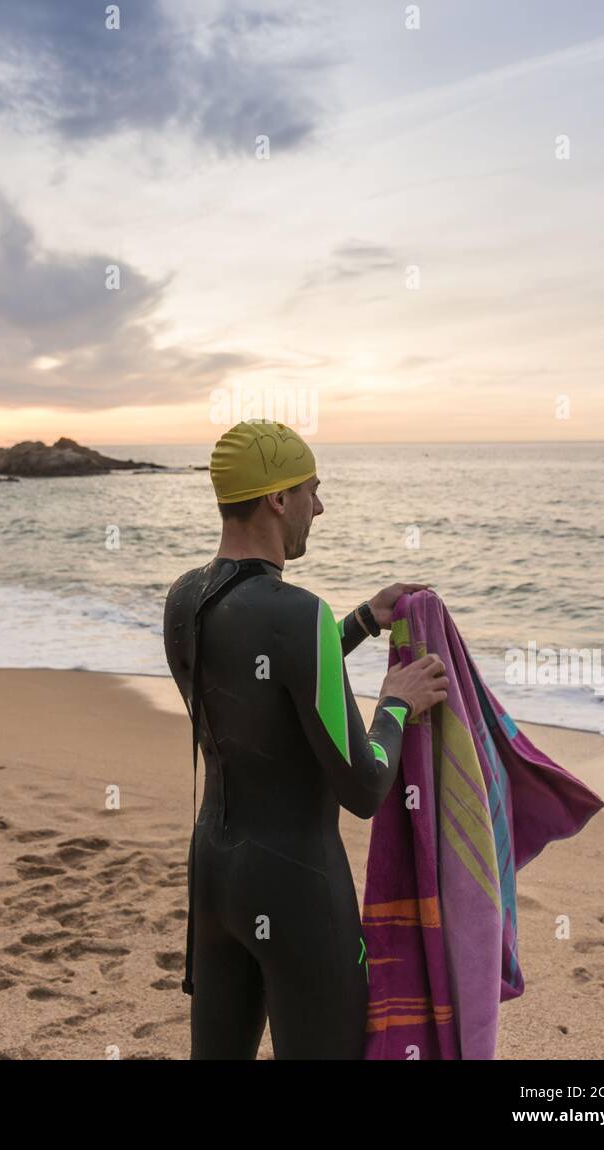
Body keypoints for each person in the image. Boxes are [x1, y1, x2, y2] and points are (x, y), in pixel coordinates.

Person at [162, 418, 449, 1059]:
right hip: (297, 886)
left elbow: (262, 684)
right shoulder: (299, 614)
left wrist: (361, 622)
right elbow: (364, 784)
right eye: (312, 490)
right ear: (277, 498)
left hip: (214, 877)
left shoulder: (184, 599)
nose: (319, 507)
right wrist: (395, 706)